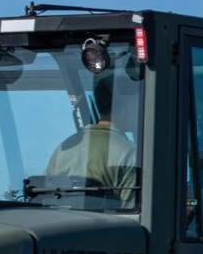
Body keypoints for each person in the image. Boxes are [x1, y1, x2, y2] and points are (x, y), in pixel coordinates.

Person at [43, 74, 138, 207]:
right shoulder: (129, 154)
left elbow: (46, 200)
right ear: (128, 108)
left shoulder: (63, 149)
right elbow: (131, 213)